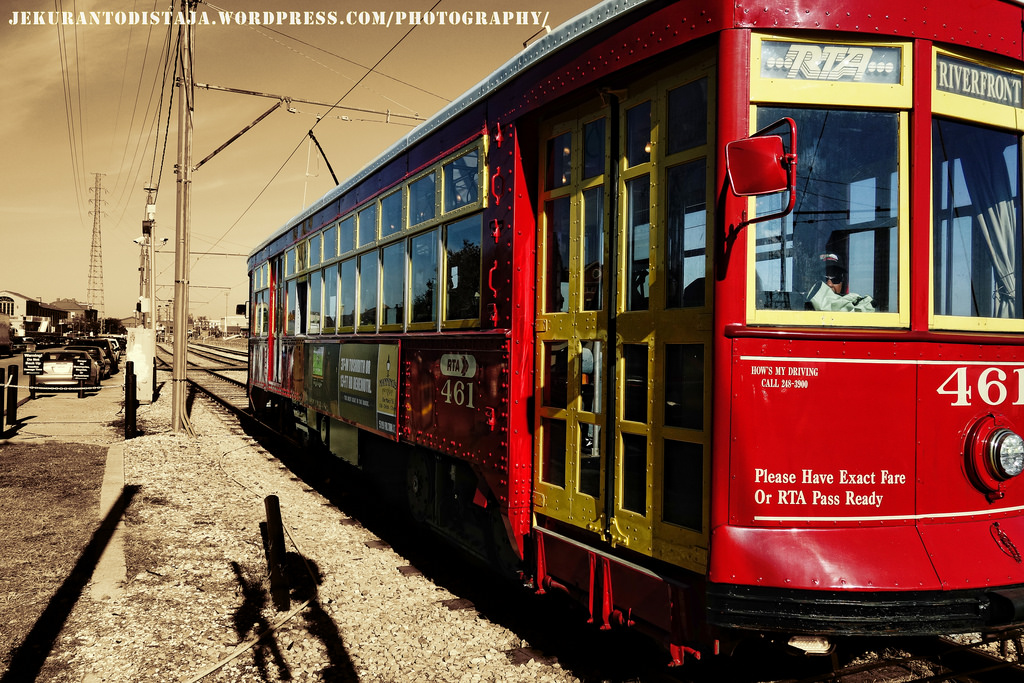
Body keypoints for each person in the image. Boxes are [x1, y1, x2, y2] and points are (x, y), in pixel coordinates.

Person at [806, 253, 875, 312]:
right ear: (813, 280)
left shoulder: (856, 305)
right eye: (824, 278)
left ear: (842, 282)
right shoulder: (799, 307)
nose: (830, 284)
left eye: (836, 278)